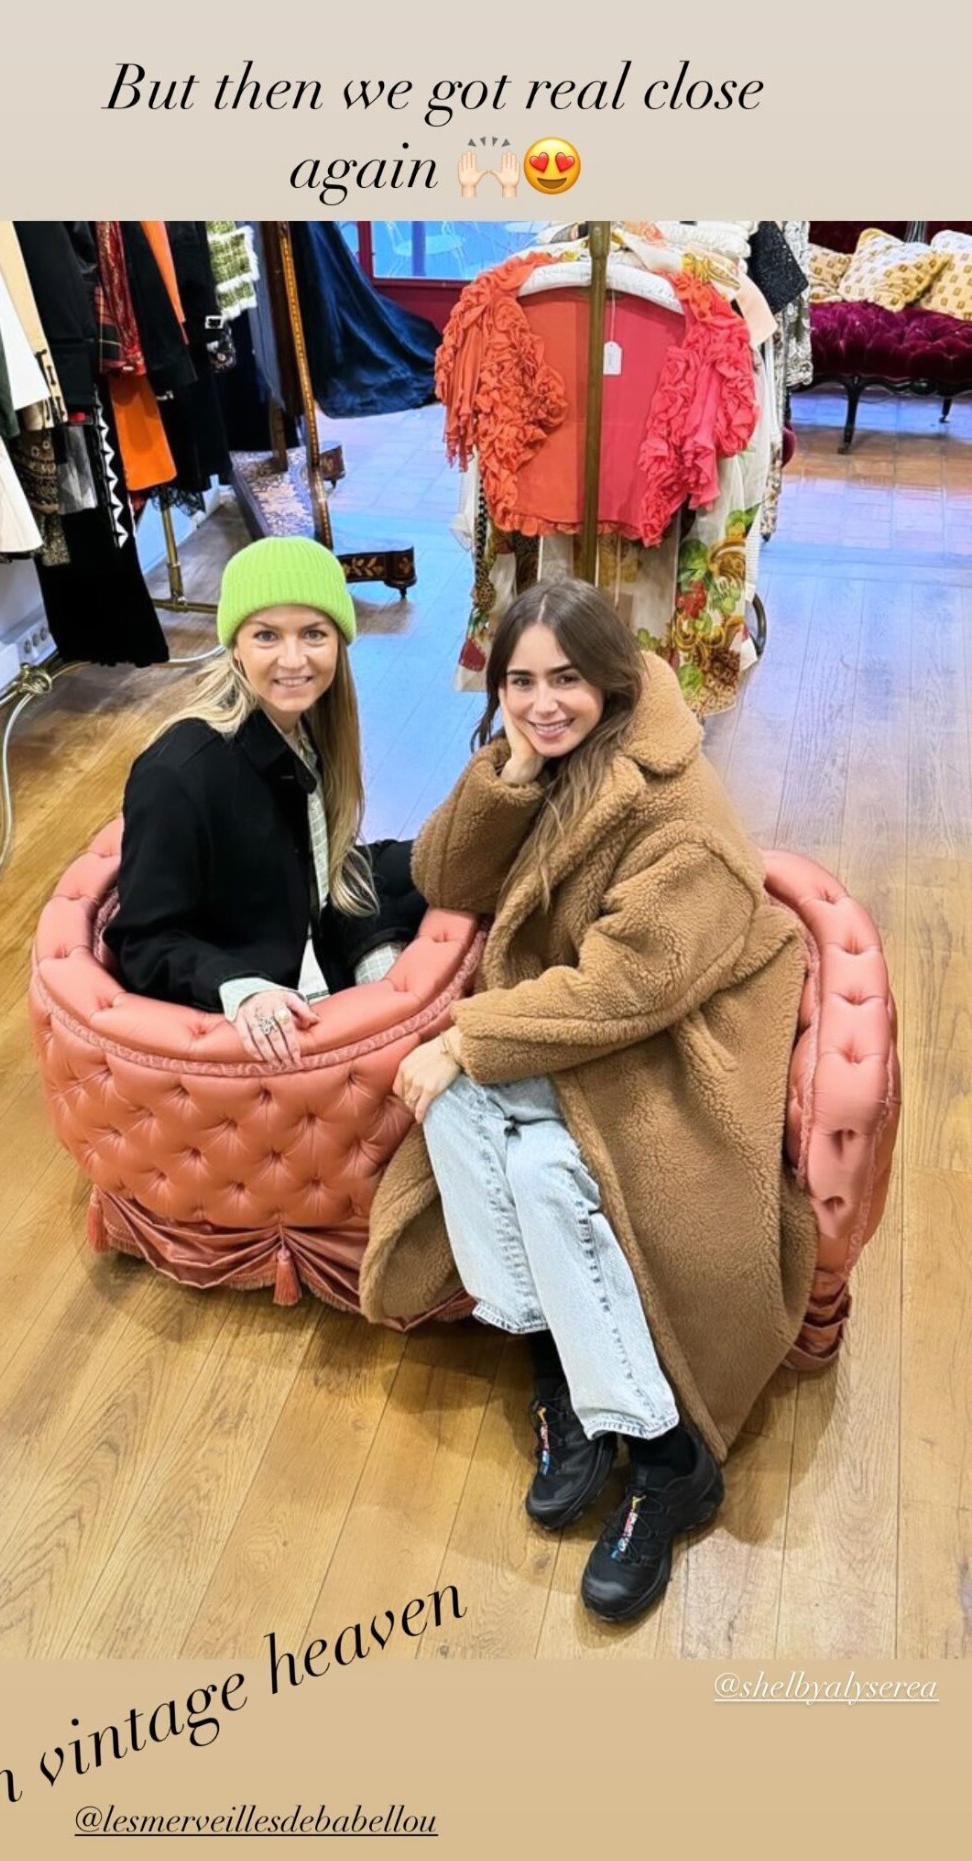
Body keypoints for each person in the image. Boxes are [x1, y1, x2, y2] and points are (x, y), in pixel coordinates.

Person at [359, 577, 819, 1625]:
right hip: (593, 1026)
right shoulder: (556, 758)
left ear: (612, 679)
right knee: (455, 1115)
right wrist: (511, 769)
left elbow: (630, 988)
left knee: (529, 1159)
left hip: (678, 1047)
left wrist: (467, 1036)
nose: (542, 702)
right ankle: (566, 1371)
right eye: (519, 682)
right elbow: (443, 875)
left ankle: (664, 1457)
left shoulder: (678, 816)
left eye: (565, 679)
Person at [105, 535, 425, 1060]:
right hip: (256, 987)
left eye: (314, 633)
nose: (293, 659)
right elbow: (144, 941)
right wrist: (241, 989)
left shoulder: (307, 725)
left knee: (452, 865)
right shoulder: (177, 773)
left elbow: (321, 866)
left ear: (340, 641)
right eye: (267, 635)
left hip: (311, 929)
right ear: (235, 644)